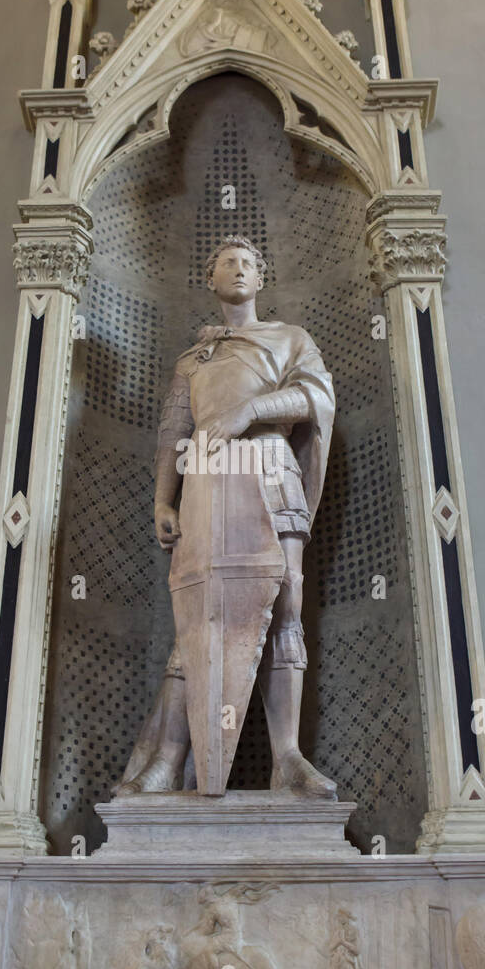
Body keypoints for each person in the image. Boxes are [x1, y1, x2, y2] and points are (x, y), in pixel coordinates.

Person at [117, 235, 336, 798]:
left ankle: (287, 758)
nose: (238, 270)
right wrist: (163, 499)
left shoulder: (290, 339)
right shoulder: (193, 360)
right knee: (198, 614)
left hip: (269, 470)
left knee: (285, 602)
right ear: (210, 280)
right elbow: (174, 433)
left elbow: (315, 397)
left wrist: (252, 410)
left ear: (261, 279)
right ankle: (169, 758)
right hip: (207, 478)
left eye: (248, 263)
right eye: (227, 264)